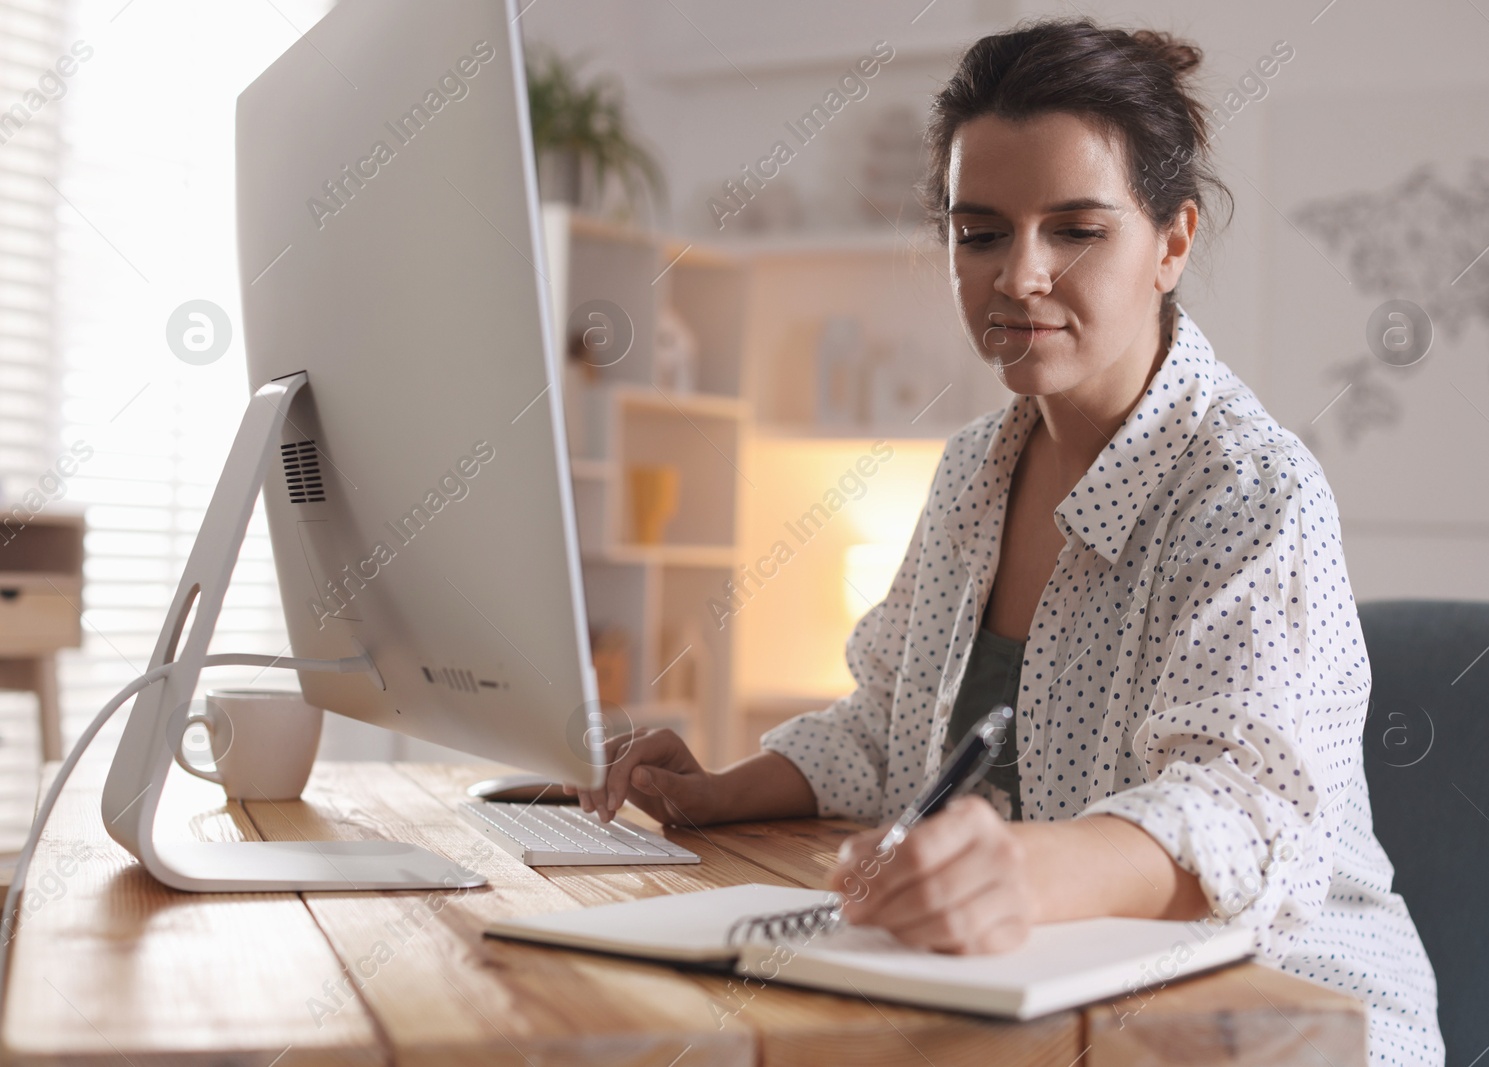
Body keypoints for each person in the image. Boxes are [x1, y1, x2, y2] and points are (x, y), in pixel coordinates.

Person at [566, 17, 1444, 1066]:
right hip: (1052, 986)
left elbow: (1241, 810)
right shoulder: (973, 470)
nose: (1017, 275)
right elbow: (886, 729)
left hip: (1279, 1015)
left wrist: (1016, 872)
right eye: (978, 232)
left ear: (1171, 242)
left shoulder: (1251, 490)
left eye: (1075, 228)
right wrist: (716, 791)